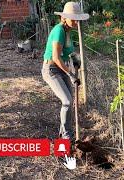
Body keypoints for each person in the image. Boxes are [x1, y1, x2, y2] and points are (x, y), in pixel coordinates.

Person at [42, 2, 89, 139]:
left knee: (70, 102)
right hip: (51, 70)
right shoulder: (59, 31)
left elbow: (70, 51)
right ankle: (66, 137)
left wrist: (76, 59)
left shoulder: (68, 32)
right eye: (73, 19)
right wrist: (71, 74)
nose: (75, 22)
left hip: (60, 69)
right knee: (67, 101)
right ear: (64, 18)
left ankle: (64, 131)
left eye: (77, 19)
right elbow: (56, 57)